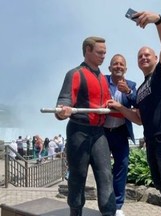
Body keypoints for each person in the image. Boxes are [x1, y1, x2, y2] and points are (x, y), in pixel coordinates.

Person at [107, 11, 161, 216]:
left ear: (156, 58)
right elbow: (139, 119)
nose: (143, 58)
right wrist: (120, 108)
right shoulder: (141, 88)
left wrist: (158, 21)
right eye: (140, 56)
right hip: (152, 140)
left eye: (147, 55)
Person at [55, 36, 116, 216]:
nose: (103, 56)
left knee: (106, 176)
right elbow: (64, 101)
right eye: (99, 52)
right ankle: (75, 212)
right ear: (87, 50)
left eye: (105, 53)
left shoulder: (103, 79)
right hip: (78, 132)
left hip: (99, 134)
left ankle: (109, 213)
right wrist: (62, 111)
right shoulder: (75, 74)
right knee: (77, 176)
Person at [103, 54, 137, 216]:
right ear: (110, 68)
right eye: (115, 64)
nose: (118, 66)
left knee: (121, 167)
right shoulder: (102, 81)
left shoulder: (131, 84)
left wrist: (129, 92)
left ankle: (117, 206)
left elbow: (138, 102)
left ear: (125, 69)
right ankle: (104, 205)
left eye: (121, 64)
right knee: (102, 169)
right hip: (102, 133)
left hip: (121, 133)